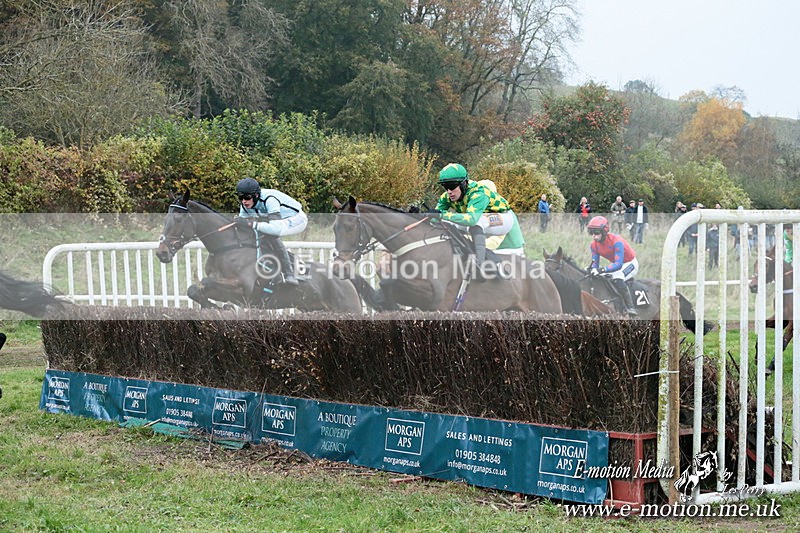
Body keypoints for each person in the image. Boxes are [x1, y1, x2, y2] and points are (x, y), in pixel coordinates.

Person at [435, 163, 524, 281]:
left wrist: (442, 215)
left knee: (478, 223)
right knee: (449, 223)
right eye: (445, 187)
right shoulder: (446, 196)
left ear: (463, 184)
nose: (449, 191)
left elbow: (471, 219)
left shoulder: (478, 193)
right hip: (481, 220)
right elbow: (435, 216)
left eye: (452, 186)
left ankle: (480, 264)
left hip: (503, 218)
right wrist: (419, 215)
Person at [234, 177, 307, 285]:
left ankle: (289, 273)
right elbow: (242, 227)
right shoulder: (244, 205)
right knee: (256, 233)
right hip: (276, 220)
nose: (244, 201)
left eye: (247, 197)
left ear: (256, 195)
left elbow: (275, 229)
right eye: (240, 197)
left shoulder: (270, 199)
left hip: (297, 219)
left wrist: (250, 224)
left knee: (270, 233)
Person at [587, 215, 639, 315]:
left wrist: (601, 270)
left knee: (618, 277)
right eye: (591, 232)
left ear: (604, 232)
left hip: (630, 263)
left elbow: (618, 265)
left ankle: (630, 307)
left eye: (596, 232)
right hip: (616, 264)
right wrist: (593, 270)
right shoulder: (593, 245)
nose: (593, 235)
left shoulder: (617, 241)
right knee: (599, 276)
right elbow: (595, 264)